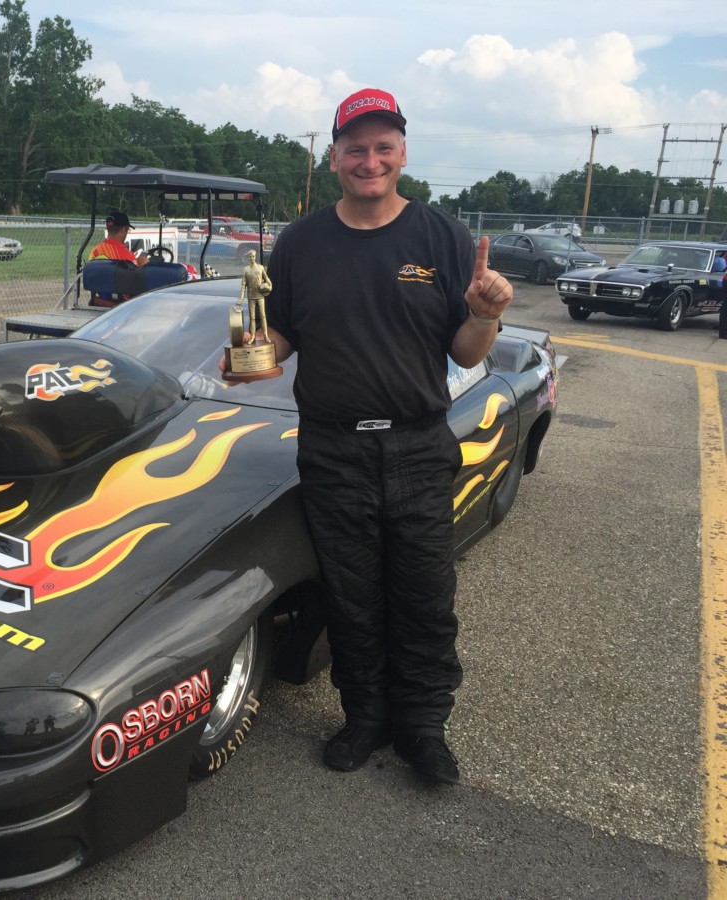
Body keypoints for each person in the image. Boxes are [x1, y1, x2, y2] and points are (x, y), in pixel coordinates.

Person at [256, 87, 512, 784]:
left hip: (417, 445)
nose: (369, 159)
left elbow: (464, 352)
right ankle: (364, 717)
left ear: (402, 151)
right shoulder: (302, 243)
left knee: (425, 595)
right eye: (355, 147)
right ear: (334, 155)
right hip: (333, 449)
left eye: (383, 146)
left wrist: (487, 315)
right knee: (352, 597)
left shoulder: (441, 237)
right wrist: (249, 353)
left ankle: (423, 728)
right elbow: (275, 335)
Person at [239, 249, 272, 344]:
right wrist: (241, 299)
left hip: (260, 296)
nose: (252, 258)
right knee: (252, 318)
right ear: (248, 258)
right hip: (251, 297)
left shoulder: (261, 268)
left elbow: (267, 280)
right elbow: (243, 285)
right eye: (250, 256)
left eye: (253, 256)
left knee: (263, 316)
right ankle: (252, 336)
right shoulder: (246, 270)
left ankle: (266, 335)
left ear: (255, 256)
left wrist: (269, 287)